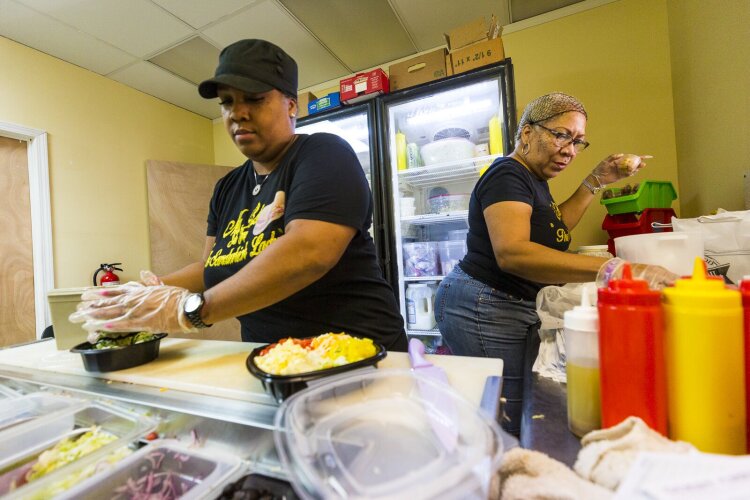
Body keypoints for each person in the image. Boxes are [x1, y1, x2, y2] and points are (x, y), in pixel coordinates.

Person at [71, 39, 407, 351]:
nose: (237, 113)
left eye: (254, 98)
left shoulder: (323, 154)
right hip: (273, 358)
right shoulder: (228, 187)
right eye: (228, 102)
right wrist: (147, 293)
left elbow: (309, 252)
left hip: (359, 355)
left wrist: (192, 311)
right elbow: (210, 268)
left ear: (291, 105)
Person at [434, 92, 677, 435]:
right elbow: (513, 253)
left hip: (509, 303)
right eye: (561, 135)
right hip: (482, 305)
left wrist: (598, 178)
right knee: (506, 413)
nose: (570, 150)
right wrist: (614, 269)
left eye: (578, 141)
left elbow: (554, 228)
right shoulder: (507, 175)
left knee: (522, 404)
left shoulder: (534, 181)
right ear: (528, 133)